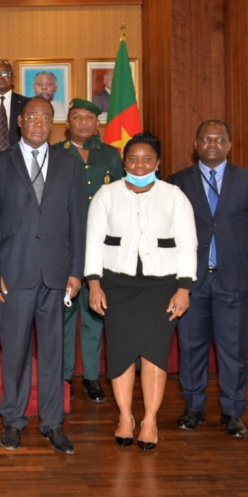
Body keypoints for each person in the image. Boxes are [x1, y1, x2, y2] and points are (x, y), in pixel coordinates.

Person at [85, 132, 198, 450]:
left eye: (147, 158)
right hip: (117, 285)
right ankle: (124, 417)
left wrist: (184, 289)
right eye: (132, 158)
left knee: (154, 355)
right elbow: (92, 241)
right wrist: (94, 283)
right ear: (124, 162)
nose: (139, 164)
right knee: (120, 353)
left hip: (162, 287)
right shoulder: (106, 195)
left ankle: (149, 419)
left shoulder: (174, 195)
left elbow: (188, 244)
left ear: (158, 163)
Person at [0, 96, 85, 455]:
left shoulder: (69, 165)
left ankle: (52, 422)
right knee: (14, 352)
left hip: (57, 274)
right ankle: (13, 420)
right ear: (19, 122)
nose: (39, 123)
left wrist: (77, 271)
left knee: (54, 352)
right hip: (13, 273)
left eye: (46, 117)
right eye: (32, 117)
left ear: (53, 123)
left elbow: (78, 221)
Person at [169, 120, 248, 439]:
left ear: (229, 145)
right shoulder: (177, 182)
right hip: (191, 282)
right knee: (191, 348)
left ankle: (232, 412)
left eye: (219, 139)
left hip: (236, 280)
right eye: (205, 139)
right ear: (196, 145)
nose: (212, 144)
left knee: (233, 350)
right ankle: (194, 407)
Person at [55, 99, 124, 404]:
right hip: (66, 248)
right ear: (67, 123)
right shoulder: (56, 153)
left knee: (96, 314)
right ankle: (65, 375)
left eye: (89, 118)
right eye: (76, 117)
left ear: (98, 124)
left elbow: (123, 200)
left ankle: (93, 378)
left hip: (101, 250)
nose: (83, 123)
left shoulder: (111, 155)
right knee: (66, 315)